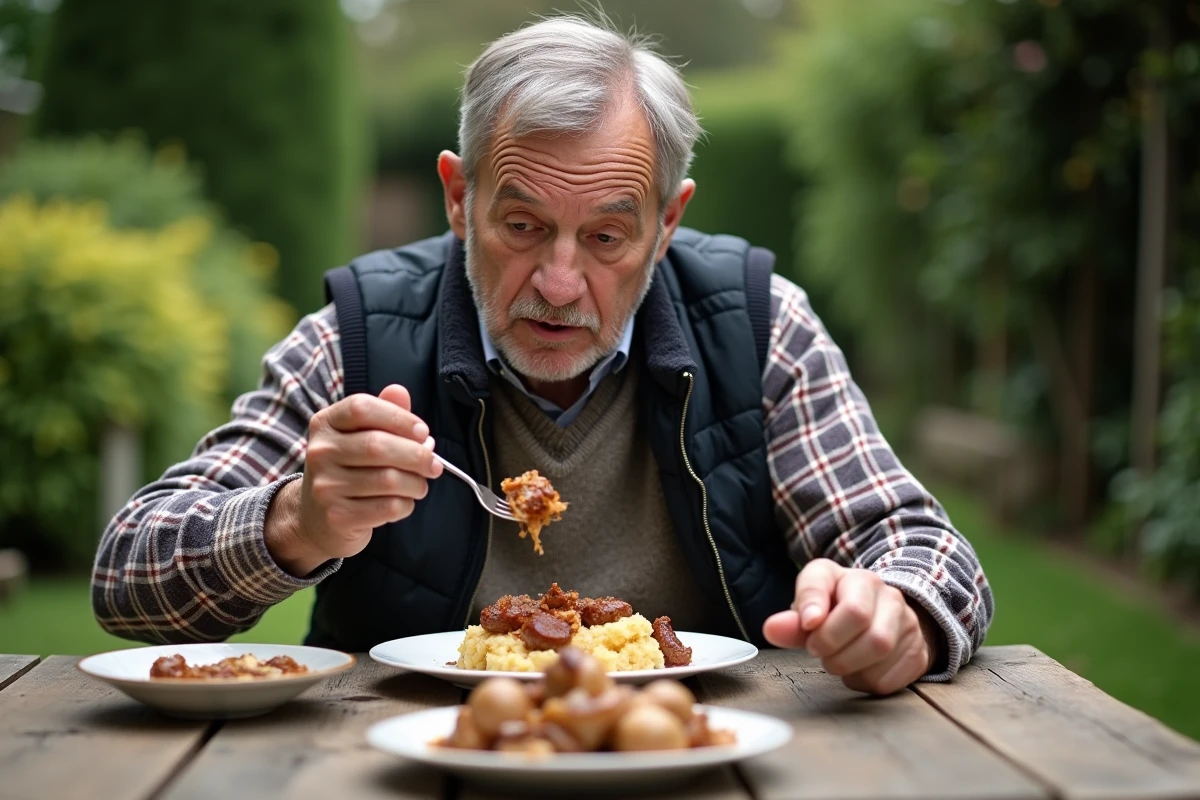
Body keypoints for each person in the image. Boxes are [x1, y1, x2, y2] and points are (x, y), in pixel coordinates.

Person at [92, 14, 993, 696]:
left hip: (697, 759)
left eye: (607, 237)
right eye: (522, 225)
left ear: (668, 222)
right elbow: (126, 576)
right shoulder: (354, 340)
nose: (559, 283)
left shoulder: (759, 327)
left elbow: (920, 546)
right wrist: (292, 521)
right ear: (458, 198)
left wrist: (901, 610)